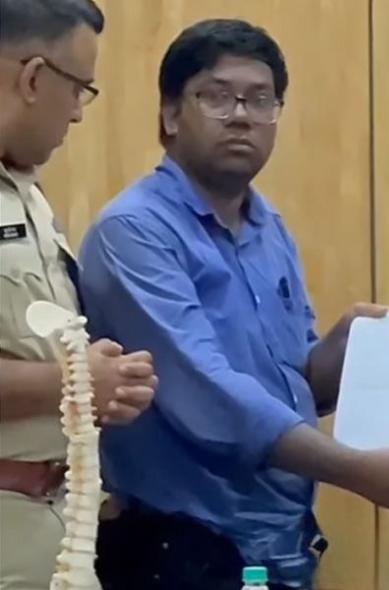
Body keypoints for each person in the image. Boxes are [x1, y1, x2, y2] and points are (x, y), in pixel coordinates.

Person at [77, 19, 389, 590]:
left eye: (260, 99)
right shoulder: (135, 231)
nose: (242, 115)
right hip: (179, 550)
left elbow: (296, 384)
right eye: (217, 97)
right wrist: (356, 472)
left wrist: (345, 347)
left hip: (283, 543)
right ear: (171, 115)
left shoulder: (268, 226)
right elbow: (209, 396)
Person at [0, 1, 157, 588]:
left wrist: (93, 387)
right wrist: (74, 381)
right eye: (79, 89)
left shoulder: (26, 193)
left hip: (55, 524)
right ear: (34, 77)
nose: (78, 115)